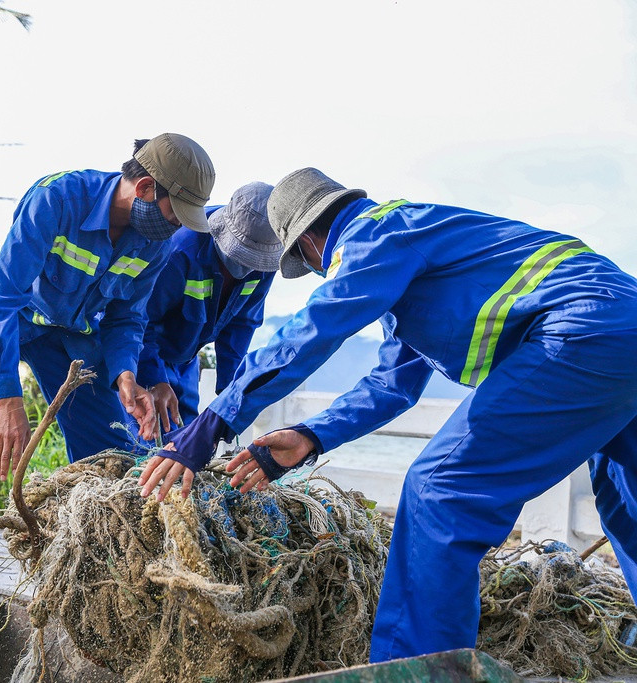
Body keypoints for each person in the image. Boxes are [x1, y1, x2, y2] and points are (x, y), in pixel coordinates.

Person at [138, 167, 637, 662]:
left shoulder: (374, 236)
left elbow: (311, 332)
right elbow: (392, 386)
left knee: (441, 491)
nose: (320, 272)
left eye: (310, 266)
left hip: (579, 333)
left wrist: (209, 425)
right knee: (626, 500)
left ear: (310, 243)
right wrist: (312, 436)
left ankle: (418, 669)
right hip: (622, 327)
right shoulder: (423, 251)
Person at [0, 133, 215, 523]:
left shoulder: (155, 245)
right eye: (174, 215)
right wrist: (8, 400)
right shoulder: (58, 198)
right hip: (11, 308)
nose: (175, 228)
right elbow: (4, 294)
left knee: (113, 452)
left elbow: (127, 317)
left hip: (72, 332)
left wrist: (124, 376)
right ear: (147, 188)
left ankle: (99, 524)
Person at [137, 181, 280, 433]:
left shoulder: (265, 262)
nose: (247, 266)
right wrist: (155, 379)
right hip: (142, 353)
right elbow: (138, 320)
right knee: (143, 434)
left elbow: (242, 324)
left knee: (186, 433)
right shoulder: (179, 252)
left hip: (186, 357)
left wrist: (230, 389)